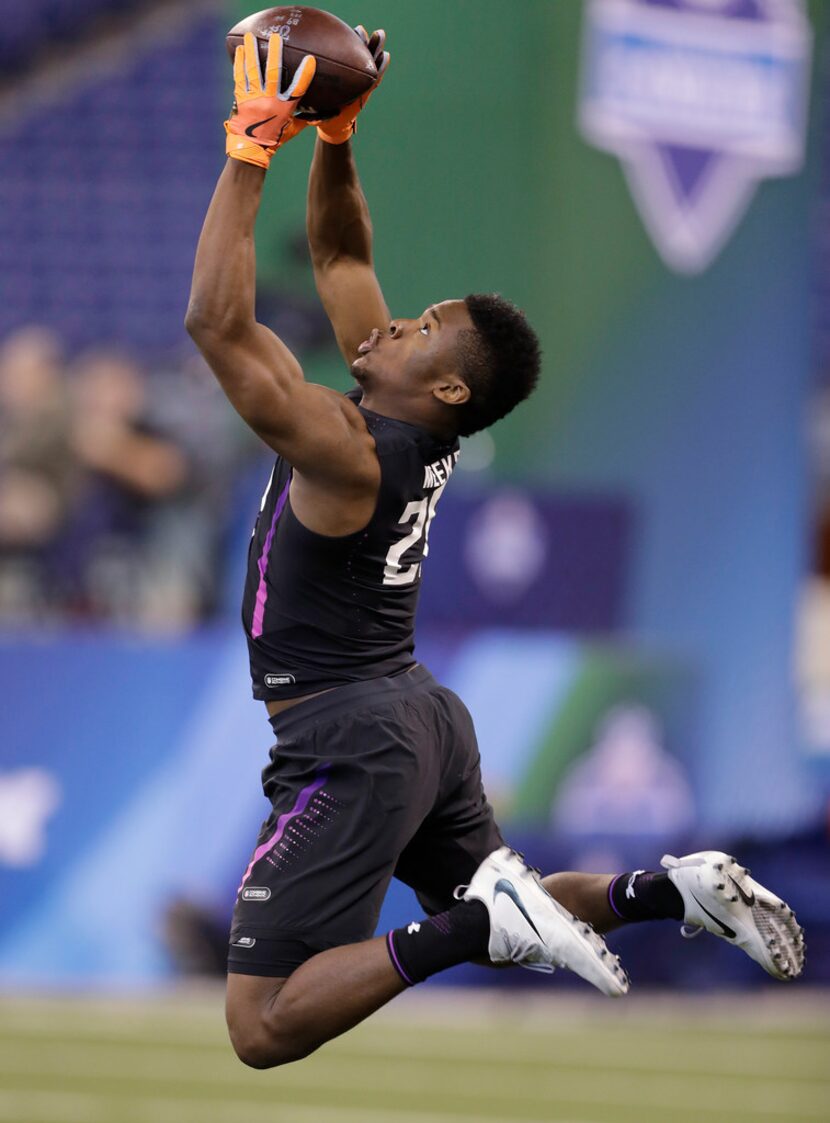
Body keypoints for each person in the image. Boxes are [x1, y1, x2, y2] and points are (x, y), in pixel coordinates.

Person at [186, 29, 804, 1069]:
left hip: (353, 733)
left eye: (419, 329)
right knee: (497, 887)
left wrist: (251, 148)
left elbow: (214, 321)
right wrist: (334, 136)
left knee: (261, 1023)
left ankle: (481, 927)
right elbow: (340, 255)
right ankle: (667, 890)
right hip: (418, 716)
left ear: (449, 390)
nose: (389, 326)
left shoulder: (346, 446)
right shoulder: (402, 423)